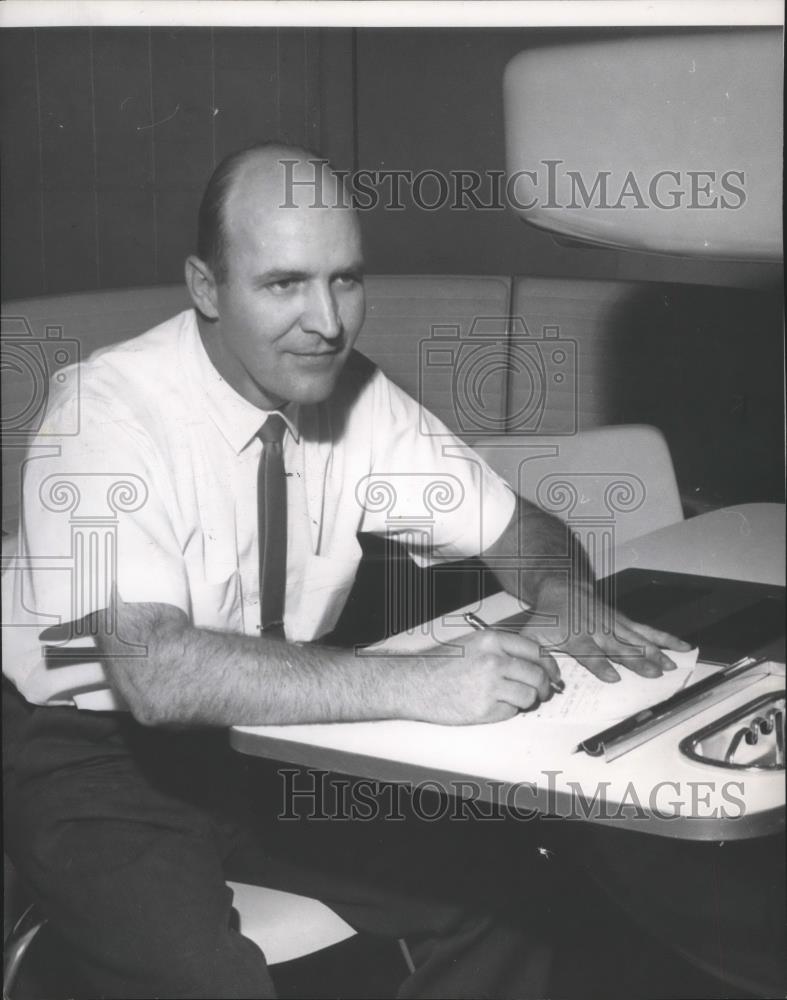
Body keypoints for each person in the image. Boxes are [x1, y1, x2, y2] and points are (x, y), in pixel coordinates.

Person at [2, 143, 688, 999]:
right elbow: (157, 674)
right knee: (208, 983)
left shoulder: (353, 397)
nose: (326, 321)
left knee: (511, 894)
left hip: (272, 738)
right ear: (206, 288)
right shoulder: (105, 412)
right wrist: (416, 684)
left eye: (346, 280)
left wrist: (565, 593)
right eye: (284, 283)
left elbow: (520, 529)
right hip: (100, 759)